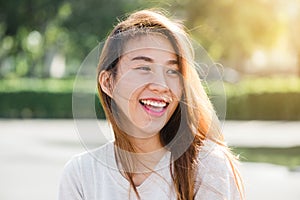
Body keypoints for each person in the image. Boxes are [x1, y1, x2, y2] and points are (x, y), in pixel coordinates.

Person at [59, 9, 244, 200]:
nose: (161, 85)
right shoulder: (81, 174)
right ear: (108, 83)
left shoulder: (208, 166)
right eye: (143, 68)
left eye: (172, 71)